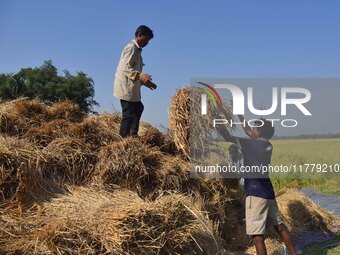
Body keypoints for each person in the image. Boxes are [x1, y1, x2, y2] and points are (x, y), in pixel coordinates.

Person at [216, 118, 298, 255]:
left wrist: (218, 123)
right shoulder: (267, 144)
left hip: (256, 193)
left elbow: (227, 137)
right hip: (268, 192)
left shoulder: (250, 144)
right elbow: (249, 132)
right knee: (280, 226)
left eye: (254, 128)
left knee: (257, 236)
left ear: (259, 131)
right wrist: (241, 117)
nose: (251, 131)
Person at [114, 25, 157, 137]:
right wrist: (140, 75)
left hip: (131, 88)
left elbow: (134, 72)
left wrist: (145, 82)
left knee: (138, 107)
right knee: (128, 114)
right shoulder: (131, 48)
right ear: (139, 36)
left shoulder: (137, 51)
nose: (147, 43)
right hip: (125, 88)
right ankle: (123, 138)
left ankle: (133, 134)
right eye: (146, 39)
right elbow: (125, 67)